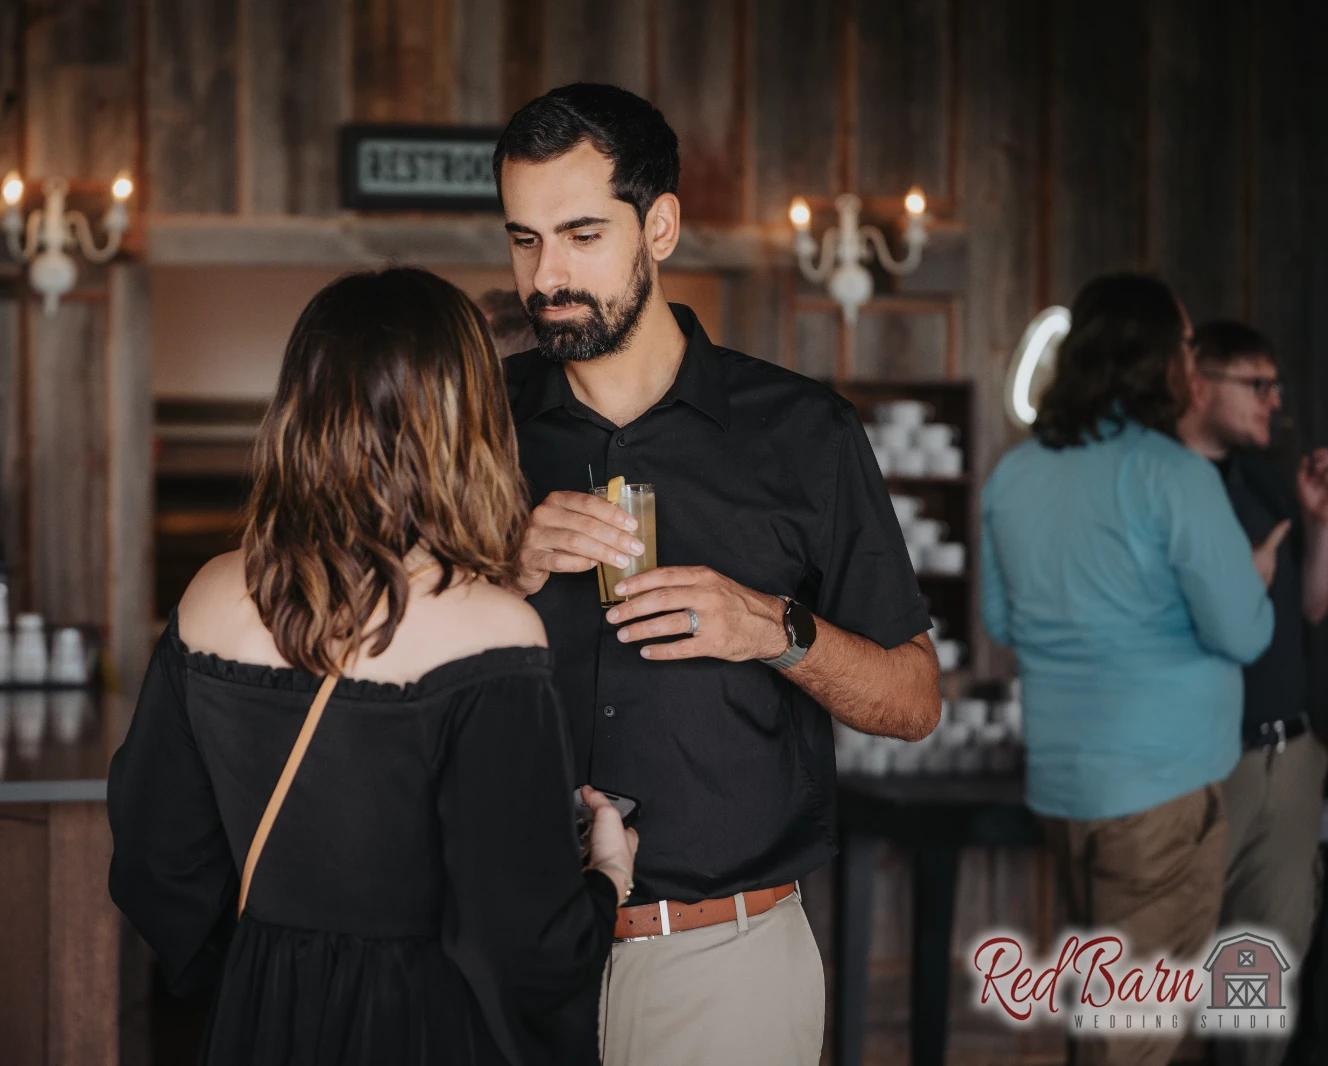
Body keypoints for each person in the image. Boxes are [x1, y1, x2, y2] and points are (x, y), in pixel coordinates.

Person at [492, 83, 940, 1066]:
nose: (546, 275)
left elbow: (913, 700)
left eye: (579, 234)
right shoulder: (473, 425)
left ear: (660, 226)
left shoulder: (802, 434)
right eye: (523, 239)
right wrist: (502, 571)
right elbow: (365, 647)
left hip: (725, 966)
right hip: (501, 956)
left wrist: (775, 629)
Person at [107, 268, 639, 1066]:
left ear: (301, 408)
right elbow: (525, 945)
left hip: (260, 1017)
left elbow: (156, 861)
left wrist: (273, 964)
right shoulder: (493, 628)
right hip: (428, 1027)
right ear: (468, 422)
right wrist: (607, 878)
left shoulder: (208, 597)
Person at [980, 274, 1274, 1066]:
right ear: (1157, 362)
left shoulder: (1016, 474)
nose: (1191, 359)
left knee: (1105, 1020)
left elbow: (1004, 623)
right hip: (1161, 794)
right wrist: (1253, 577)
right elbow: (1243, 631)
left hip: (1064, 790)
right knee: (1134, 1040)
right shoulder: (1173, 475)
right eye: (1184, 345)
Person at [1177, 320, 1328, 1066]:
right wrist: (1236, 591)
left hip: (1291, 759)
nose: (1274, 400)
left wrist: (1317, 522)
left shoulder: (1267, 478)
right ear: (1199, 384)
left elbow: (1312, 608)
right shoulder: (1159, 485)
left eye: (1276, 384)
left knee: (1262, 986)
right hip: (1205, 764)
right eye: (1255, 384)